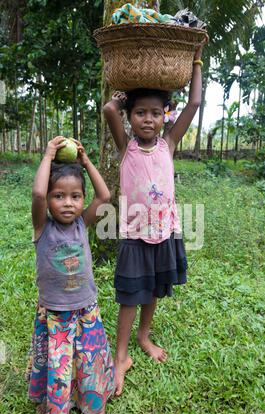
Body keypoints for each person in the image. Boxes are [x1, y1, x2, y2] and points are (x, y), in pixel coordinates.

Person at [103, 45, 204, 395]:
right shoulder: (125, 147)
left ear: (165, 117)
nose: (148, 119)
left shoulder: (169, 144)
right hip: (134, 233)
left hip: (165, 231)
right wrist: (120, 99)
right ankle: (120, 355)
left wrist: (195, 60)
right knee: (130, 294)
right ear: (130, 118)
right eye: (140, 113)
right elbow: (107, 110)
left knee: (155, 287)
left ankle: (144, 337)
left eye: (155, 113)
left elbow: (193, 104)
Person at [27, 136, 115, 414]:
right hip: (54, 312)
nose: (68, 203)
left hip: (85, 309)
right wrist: (49, 155)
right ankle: (58, 400)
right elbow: (37, 193)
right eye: (59, 196)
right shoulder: (43, 227)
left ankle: (98, 413)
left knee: (90, 362)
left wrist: (86, 162)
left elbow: (104, 195)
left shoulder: (82, 224)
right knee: (58, 362)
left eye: (75, 196)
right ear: (50, 200)